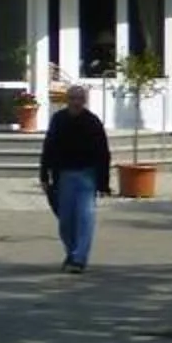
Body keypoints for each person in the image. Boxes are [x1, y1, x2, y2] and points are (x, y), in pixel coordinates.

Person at [37, 82, 111, 272]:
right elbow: (49, 147)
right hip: (64, 176)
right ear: (67, 100)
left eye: (79, 99)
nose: (76, 102)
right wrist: (44, 175)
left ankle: (79, 258)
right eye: (72, 98)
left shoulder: (92, 122)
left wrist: (104, 182)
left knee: (85, 217)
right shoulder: (58, 120)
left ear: (84, 101)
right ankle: (71, 253)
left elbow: (103, 153)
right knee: (66, 221)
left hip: (87, 176)